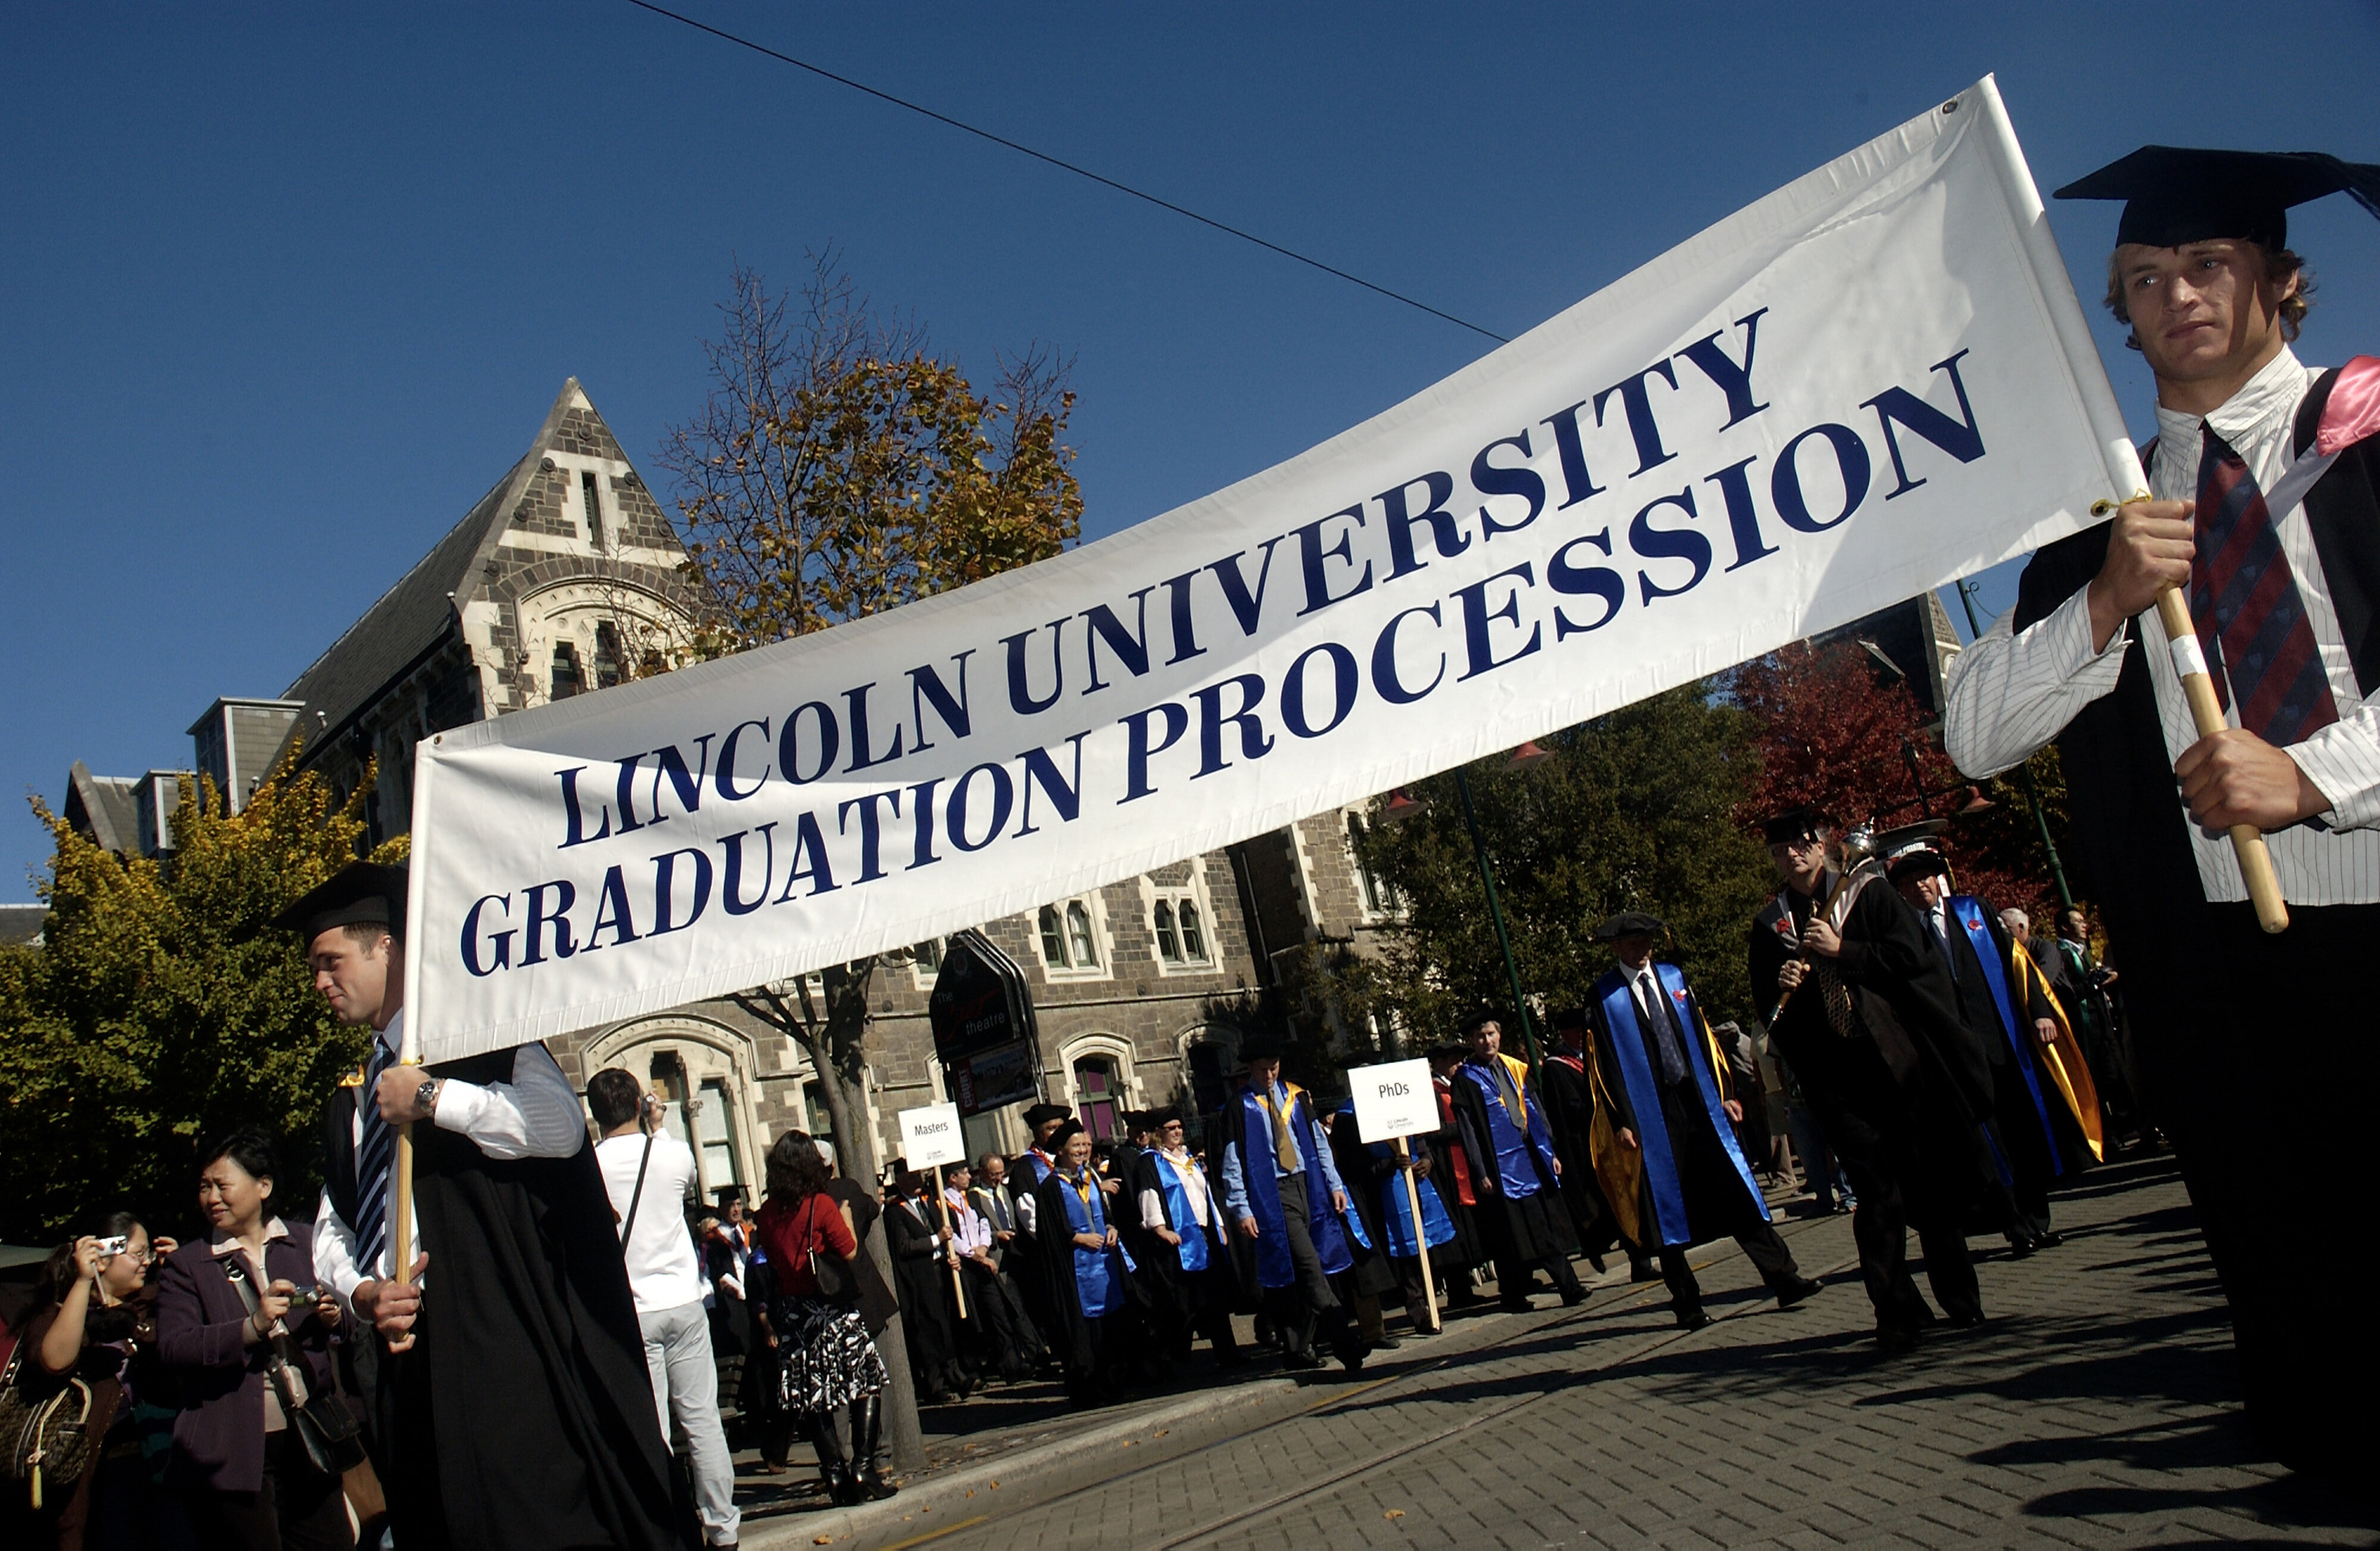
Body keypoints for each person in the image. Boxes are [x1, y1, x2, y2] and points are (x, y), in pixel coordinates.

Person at [1946, 146, 2380, 1475]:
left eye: (2205, 264)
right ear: (2115, 317)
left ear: (2281, 283)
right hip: (2218, 983)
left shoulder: (2365, 444)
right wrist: (2100, 603)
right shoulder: (2101, 522)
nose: (2176, 293)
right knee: (2308, 1333)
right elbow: (1974, 736)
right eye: (2143, 278)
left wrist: (2317, 773)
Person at [283, 862, 673, 1549]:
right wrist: (362, 1289)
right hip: (404, 1364)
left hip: (499, 1343)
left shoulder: (485, 1038)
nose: (318, 982)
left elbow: (557, 1126)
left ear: (388, 946)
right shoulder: (351, 1104)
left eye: (330, 959)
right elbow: (334, 1226)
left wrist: (434, 1099)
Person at [1749, 809, 1993, 1352]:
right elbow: (1769, 1013)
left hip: (1897, 1063)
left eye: (1799, 843)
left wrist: (1845, 952)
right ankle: (1896, 1313)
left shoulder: (1870, 894)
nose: (1791, 855)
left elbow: (1914, 960)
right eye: (1779, 849)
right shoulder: (1772, 926)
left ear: (1821, 844)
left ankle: (1960, 1298)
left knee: (1926, 1186)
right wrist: (1781, 987)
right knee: (1876, 1197)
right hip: (1837, 1078)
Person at [1587, 913, 1822, 1331]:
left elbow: (1703, 1037)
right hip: (1648, 1114)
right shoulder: (1603, 996)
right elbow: (1603, 1065)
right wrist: (1621, 1120)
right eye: (1631, 943)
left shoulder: (1674, 979)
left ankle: (1784, 1277)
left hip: (1696, 1101)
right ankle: (1686, 1303)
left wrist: (1725, 1094)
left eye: (1645, 941)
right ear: (1616, 948)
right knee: (1662, 1210)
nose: (1640, 949)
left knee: (1734, 1187)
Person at [153, 1131, 354, 1550]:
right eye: (205, 1187)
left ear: (263, 1187)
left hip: (310, 1436)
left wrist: (334, 1319)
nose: (212, 1198)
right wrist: (252, 1327)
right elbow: (175, 1346)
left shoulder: (307, 1242)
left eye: (222, 1185)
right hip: (229, 1451)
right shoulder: (187, 1264)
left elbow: (351, 1327)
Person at [1888, 850, 2092, 1255]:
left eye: (1926, 878)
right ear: (1901, 893)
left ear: (1939, 880)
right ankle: (2013, 1225)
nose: (1920, 887)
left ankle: (2037, 1219)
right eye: (1910, 883)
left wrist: (2038, 1013)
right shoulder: (1902, 935)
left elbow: (2017, 963)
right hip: (1952, 1058)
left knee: (2022, 1131)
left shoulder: (1973, 912)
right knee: (1987, 1143)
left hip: (2001, 1042)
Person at [587, 1069, 739, 1549]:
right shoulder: (671, 1152)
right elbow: (688, 1177)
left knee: (652, 1427)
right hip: (683, 1302)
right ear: (638, 1103)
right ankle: (723, 1525)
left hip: (633, 1310)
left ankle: (666, 1522)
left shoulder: (592, 1166)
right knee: (702, 1421)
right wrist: (660, 1123)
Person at [4, 1211, 176, 1551]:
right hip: (94, 1480)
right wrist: (84, 1281)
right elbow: (55, 1361)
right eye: (139, 1254)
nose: (147, 1263)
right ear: (102, 1258)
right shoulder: (55, 1312)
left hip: (159, 1466)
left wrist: (180, 1274)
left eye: (149, 1254)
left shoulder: (151, 1307)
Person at [751, 1133, 893, 1506]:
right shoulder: (821, 1205)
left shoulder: (765, 1215)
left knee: (812, 1395)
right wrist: (845, 1216)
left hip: (795, 1311)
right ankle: (863, 1467)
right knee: (865, 1382)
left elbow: (772, 1257)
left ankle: (834, 1472)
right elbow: (848, 1251)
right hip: (831, 1309)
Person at [1217, 1033, 1368, 1371]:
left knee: (1305, 1272)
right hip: (1273, 1195)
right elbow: (1232, 1163)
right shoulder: (1240, 1108)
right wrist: (1241, 1207)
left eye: (1272, 1069)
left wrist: (1334, 1184)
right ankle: (1346, 1343)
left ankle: (1297, 1348)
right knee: (1310, 1267)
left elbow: (1318, 1144)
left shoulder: (1296, 1098)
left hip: (1308, 1186)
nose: (1268, 1076)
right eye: (1260, 1070)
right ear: (1250, 1069)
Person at [1448, 1013, 1585, 1311]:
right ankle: (1547, 1289)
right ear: (1472, 1041)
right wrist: (1480, 1171)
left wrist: (1550, 1153)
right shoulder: (1466, 1079)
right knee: (1508, 1233)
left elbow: (1538, 1113)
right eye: (1481, 1037)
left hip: (1531, 1157)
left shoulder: (1515, 1068)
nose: (1487, 1041)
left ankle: (1555, 1288)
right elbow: (1468, 1128)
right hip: (1497, 1168)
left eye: (1491, 1034)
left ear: (1500, 1036)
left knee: (1537, 1224)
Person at [1541, 1009, 1650, 1281]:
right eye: (1574, 1031)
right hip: (1584, 1146)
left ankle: (1640, 1262)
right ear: (1563, 1034)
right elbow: (1563, 1112)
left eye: (1583, 1030)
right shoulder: (1556, 1067)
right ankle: (1596, 1244)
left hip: (1612, 1139)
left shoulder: (1596, 1056)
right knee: (1607, 1204)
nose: (1580, 1035)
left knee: (1628, 1199)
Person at [1032, 1122, 1136, 1405]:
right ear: (1061, 1150)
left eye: (1087, 1145)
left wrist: (1112, 1228)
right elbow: (1051, 1234)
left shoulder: (1088, 1179)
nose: (1084, 1150)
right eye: (1077, 1146)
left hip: (1103, 1266)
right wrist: (1078, 1239)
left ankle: (1113, 1382)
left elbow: (1104, 1213)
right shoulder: (1052, 1188)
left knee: (1108, 1327)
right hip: (1075, 1273)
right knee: (1083, 1334)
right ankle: (1088, 1391)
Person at [1130, 1111, 1240, 1365]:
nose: (1177, 1132)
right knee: (1182, 1306)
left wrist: (1219, 1225)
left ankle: (1228, 1354)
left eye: (1179, 1127)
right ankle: (1173, 1360)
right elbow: (1148, 1196)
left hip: (1204, 1237)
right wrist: (1159, 1228)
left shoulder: (1187, 1158)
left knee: (1215, 1300)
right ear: (1159, 1132)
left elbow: (1206, 1193)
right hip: (1177, 1242)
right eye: (1171, 1128)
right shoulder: (1152, 1162)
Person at [942, 1162, 1039, 1381]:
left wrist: (984, 1248)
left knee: (999, 1313)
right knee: (971, 1319)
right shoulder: (943, 1202)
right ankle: (974, 1367)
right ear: (952, 1178)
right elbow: (950, 1236)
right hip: (964, 1264)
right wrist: (973, 1253)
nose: (969, 1176)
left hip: (983, 1261)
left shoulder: (972, 1199)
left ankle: (1012, 1364)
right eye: (964, 1173)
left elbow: (984, 1223)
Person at [883, 1165, 972, 1404]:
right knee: (929, 1329)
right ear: (900, 1180)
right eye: (911, 1176)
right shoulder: (895, 1212)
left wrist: (950, 1254)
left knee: (946, 1323)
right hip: (918, 1278)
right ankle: (936, 1384)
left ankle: (956, 1373)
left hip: (940, 1270)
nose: (918, 1180)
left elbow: (946, 1232)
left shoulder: (929, 1202)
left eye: (919, 1175)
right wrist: (937, 1239)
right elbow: (905, 1247)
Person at [962, 1155, 1048, 1377]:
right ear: (981, 1173)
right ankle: (1026, 1355)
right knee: (1012, 1309)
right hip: (996, 1258)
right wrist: (994, 1236)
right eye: (993, 1175)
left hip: (1018, 1254)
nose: (998, 1179)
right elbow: (974, 1229)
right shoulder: (973, 1198)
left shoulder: (1006, 1190)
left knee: (1026, 1305)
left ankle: (1037, 1351)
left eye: (1001, 1174)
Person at [1421, 1046, 1488, 1306]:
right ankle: (1460, 1291)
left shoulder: (1460, 1085)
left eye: (1461, 1059)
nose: (1459, 1064)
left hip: (1468, 1164)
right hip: (1447, 1169)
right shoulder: (1431, 1092)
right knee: (1454, 1229)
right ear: (1437, 1063)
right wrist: (1460, 1128)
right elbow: (1430, 1130)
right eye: (1452, 1060)